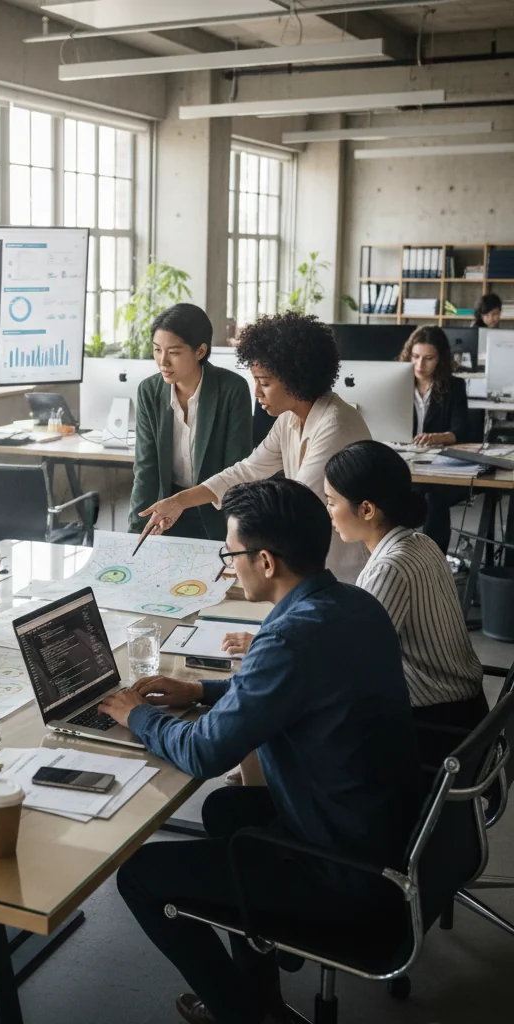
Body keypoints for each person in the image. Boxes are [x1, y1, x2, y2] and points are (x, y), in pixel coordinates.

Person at [100, 478, 419, 1024]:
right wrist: (199, 691)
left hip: (339, 867)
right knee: (226, 809)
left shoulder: (289, 635)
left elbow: (204, 753)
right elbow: (291, 688)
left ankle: (243, 1014)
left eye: (231, 555)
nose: (228, 567)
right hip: (382, 832)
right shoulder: (352, 603)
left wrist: (138, 716)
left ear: (266, 562)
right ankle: (261, 994)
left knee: (139, 874)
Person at [139, 311, 370, 582]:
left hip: (342, 572)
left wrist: (240, 548)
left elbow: (299, 501)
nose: (257, 392)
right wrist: (179, 501)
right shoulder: (289, 418)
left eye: (265, 383)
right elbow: (247, 471)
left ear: (296, 380)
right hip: (310, 562)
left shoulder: (334, 425)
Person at [324, 440, 486, 734]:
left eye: (332, 502)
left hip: (437, 724)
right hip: (467, 710)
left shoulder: (389, 568)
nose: (329, 511)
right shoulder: (419, 542)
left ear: (367, 509)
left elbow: (350, 660)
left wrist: (280, 649)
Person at [129, 304, 253, 540]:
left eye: (174, 352)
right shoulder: (149, 391)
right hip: (167, 509)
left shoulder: (232, 389)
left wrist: (238, 533)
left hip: (217, 508)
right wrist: (135, 532)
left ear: (200, 351)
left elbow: (237, 469)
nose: (163, 361)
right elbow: (146, 468)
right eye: (157, 350)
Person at [398, 325, 474, 552]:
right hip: (403, 460)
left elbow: (462, 431)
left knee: (434, 495)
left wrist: (439, 437)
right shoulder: (397, 383)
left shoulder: (454, 387)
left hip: (438, 465)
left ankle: (434, 556)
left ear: (440, 359)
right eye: (415, 357)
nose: (420, 365)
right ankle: (397, 555)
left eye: (428, 358)